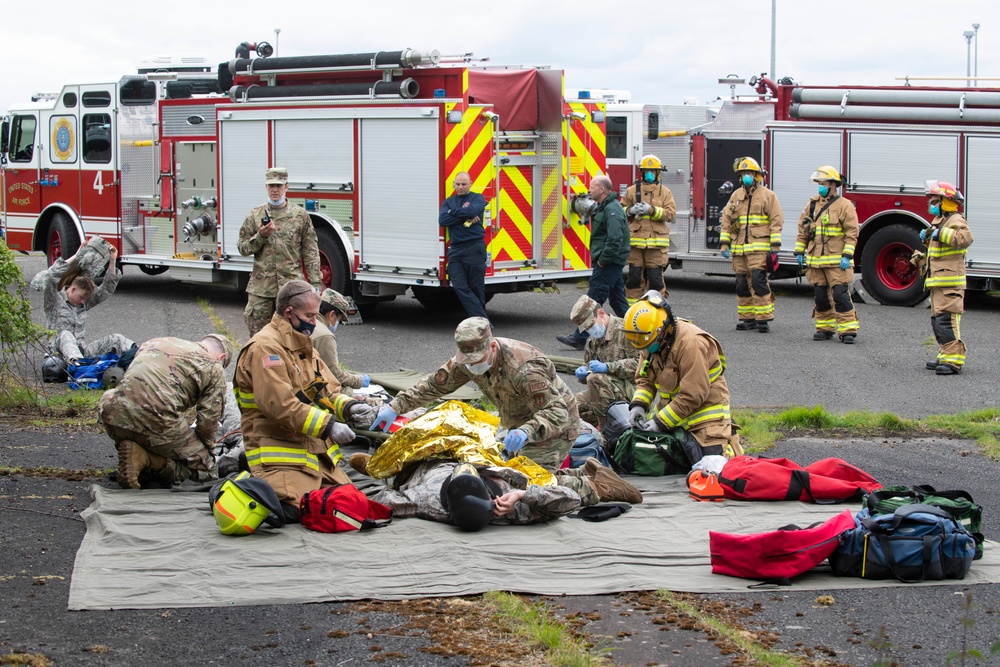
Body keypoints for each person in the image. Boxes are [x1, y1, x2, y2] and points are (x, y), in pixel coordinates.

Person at [234, 281, 375, 520]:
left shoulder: (301, 342)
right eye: (309, 315)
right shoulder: (265, 348)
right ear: (289, 312)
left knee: (352, 504)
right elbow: (281, 406)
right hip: (277, 450)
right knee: (296, 510)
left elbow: (325, 391)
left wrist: (351, 407)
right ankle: (244, 483)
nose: (314, 321)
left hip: (310, 449)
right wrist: (329, 426)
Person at [372, 317, 579, 471]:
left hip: (556, 426)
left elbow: (557, 411)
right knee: (493, 471)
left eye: (477, 360)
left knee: (529, 484)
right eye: (467, 361)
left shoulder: (523, 369)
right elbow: (434, 385)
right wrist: (395, 406)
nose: (472, 366)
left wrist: (527, 431)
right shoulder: (468, 360)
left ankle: (592, 483)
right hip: (516, 423)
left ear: (491, 346)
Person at [98, 334, 235, 489]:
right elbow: (208, 422)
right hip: (156, 417)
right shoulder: (213, 366)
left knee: (152, 428)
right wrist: (204, 455)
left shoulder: (154, 342)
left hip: (112, 412)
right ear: (221, 357)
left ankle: (137, 454)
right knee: (208, 472)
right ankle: (147, 460)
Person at [356, 458, 641, 531]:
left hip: (431, 461)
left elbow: (383, 500)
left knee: (398, 473)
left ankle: (377, 465)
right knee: (547, 481)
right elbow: (569, 500)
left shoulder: (425, 501)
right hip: (499, 466)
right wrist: (521, 495)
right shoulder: (511, 508)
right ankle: (600, 484)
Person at [622, 291, 740, 467]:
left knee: (713, 467)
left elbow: (693, 394)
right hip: (673, 418)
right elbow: (645, 380)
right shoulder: (650, 339)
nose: (645, 348)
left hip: (704, 420)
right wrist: (639, 405)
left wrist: (660, 422)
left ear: (663, 329)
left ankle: (730, 447)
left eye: (647, 343)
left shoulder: (691, 344)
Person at [237, 167, 323, 336]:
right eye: (271, 186)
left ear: (286, 187)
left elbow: (310, 251)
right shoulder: (255, 215)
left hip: (291, 289)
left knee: (293, 336)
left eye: (279, 185)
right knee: (259, 338)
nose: (275, 190)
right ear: (266, 187)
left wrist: (314, 285)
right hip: (262, 290)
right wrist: (260, 236)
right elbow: (243, 248)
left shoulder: (300, 215)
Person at [556, 174, 630, 350]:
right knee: (618, 301)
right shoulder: (605, 207)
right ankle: (636, 330)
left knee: (593, 299)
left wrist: (603, 261)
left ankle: (580, 337)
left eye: (593, 187)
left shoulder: (612, 210)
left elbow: (615, 239)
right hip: (612, 262)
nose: (589, 190)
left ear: (602, 189)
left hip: (609, 263)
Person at [39, 240, 134, 365]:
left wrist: (112, 260)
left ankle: (140, 357)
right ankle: (80, 368)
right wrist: (77, 256)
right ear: (72, 289)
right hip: (58, 354)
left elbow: (106, 289)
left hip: (81, 352)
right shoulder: (54, 300)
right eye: (82, 297)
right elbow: (51, 277)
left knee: (116, 339)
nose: (83, 301)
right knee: (65, 335)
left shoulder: (82, 303)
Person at [794, 166, 860, 344]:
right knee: (821, 296)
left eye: (823, 184)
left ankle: (847, 330)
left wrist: (847, 255)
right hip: (816, 262)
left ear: (833, 185)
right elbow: (803, 230)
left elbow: (851, 233)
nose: (820, 187)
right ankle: (824, 328)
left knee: (840, 295)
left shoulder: (844, 206)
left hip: (837, 261)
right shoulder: (813, 205)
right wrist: (800, 251)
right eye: (819, 184)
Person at [915, 181, 974, 375]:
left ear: (945, 202)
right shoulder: (939, 221)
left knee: (946, 321)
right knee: (937, 321)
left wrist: (940, 233)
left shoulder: (955, 219)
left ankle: (953, 360)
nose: (930, 205)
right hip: (939, 283)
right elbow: (939, 253)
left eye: (934, 201)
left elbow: (965, 238)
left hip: (950, 285)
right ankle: (945, 355)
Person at [719, 157, 784, 333]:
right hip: (739, 250)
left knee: (758, 281)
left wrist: (775, 246)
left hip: (759, 249)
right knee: (741, 284)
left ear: (756, 176)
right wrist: (725, 244)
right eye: (743, 174)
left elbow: (776, 220)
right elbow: (727, 220)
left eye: (749, 173)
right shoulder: (736, 196)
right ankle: (747, 319)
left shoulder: (768, 196)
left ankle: (763, 319)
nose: (746, 176)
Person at [568, 294, 641, 428]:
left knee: (596, 378)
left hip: (634, 392)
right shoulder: (592, 340)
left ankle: (604, 429)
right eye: (586, 329)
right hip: (604, 393)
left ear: (601, 313)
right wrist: (583, 374)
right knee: (569, 408)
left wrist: (608, 367)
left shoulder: (626, 330)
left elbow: (640, 365)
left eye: (590, 325)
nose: (590, 330)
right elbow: (590, 371)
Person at [622, 155, 676, 305]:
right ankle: (632, 311)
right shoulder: (632, 191)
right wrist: (631, 210)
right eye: (647, 171)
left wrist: (652, 210)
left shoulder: (665, 192)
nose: (650, 174)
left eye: (653, 171)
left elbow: (671, 214)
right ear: (642, 172)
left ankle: (657, 312)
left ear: (658, 173)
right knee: (633, 279)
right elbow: (620, 210)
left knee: (656, 280)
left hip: (656, 247)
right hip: (636, 245)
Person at [438, 171, 489, 320]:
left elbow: (473, 210)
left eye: (463, 184)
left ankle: (479, 323)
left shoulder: (477, 198)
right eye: (457, 184)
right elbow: (443, 221)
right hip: (456, 249)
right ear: (454, 184)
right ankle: (482, 319)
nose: (460, 187)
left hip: (474, 247)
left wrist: (453, 213)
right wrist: (463, 216)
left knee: (476, 286)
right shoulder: (449, 201)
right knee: (459, 285)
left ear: (470, 184)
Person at [312, 289, 370, 397]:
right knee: (346, 391)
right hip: (310, 383)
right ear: (331, 314)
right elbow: (334, 374)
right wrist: (358, 381)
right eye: (338, 318)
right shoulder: (325, 336)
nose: (337, 323)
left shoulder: (308, 321)